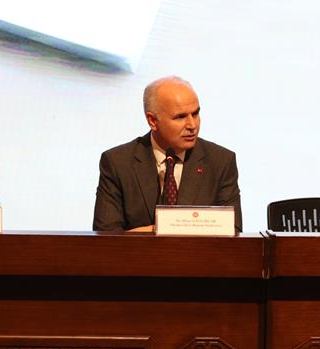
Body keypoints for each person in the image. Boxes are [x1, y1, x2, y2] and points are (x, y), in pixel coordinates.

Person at [93, 76, 242, 232]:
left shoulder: (221, 162)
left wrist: (160, 230)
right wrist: (159, 230)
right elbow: (106, 235)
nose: (192, 125)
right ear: (152, 121)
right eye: (180, 117)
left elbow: (233, 231)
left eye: (195, 114)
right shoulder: (118, 163)